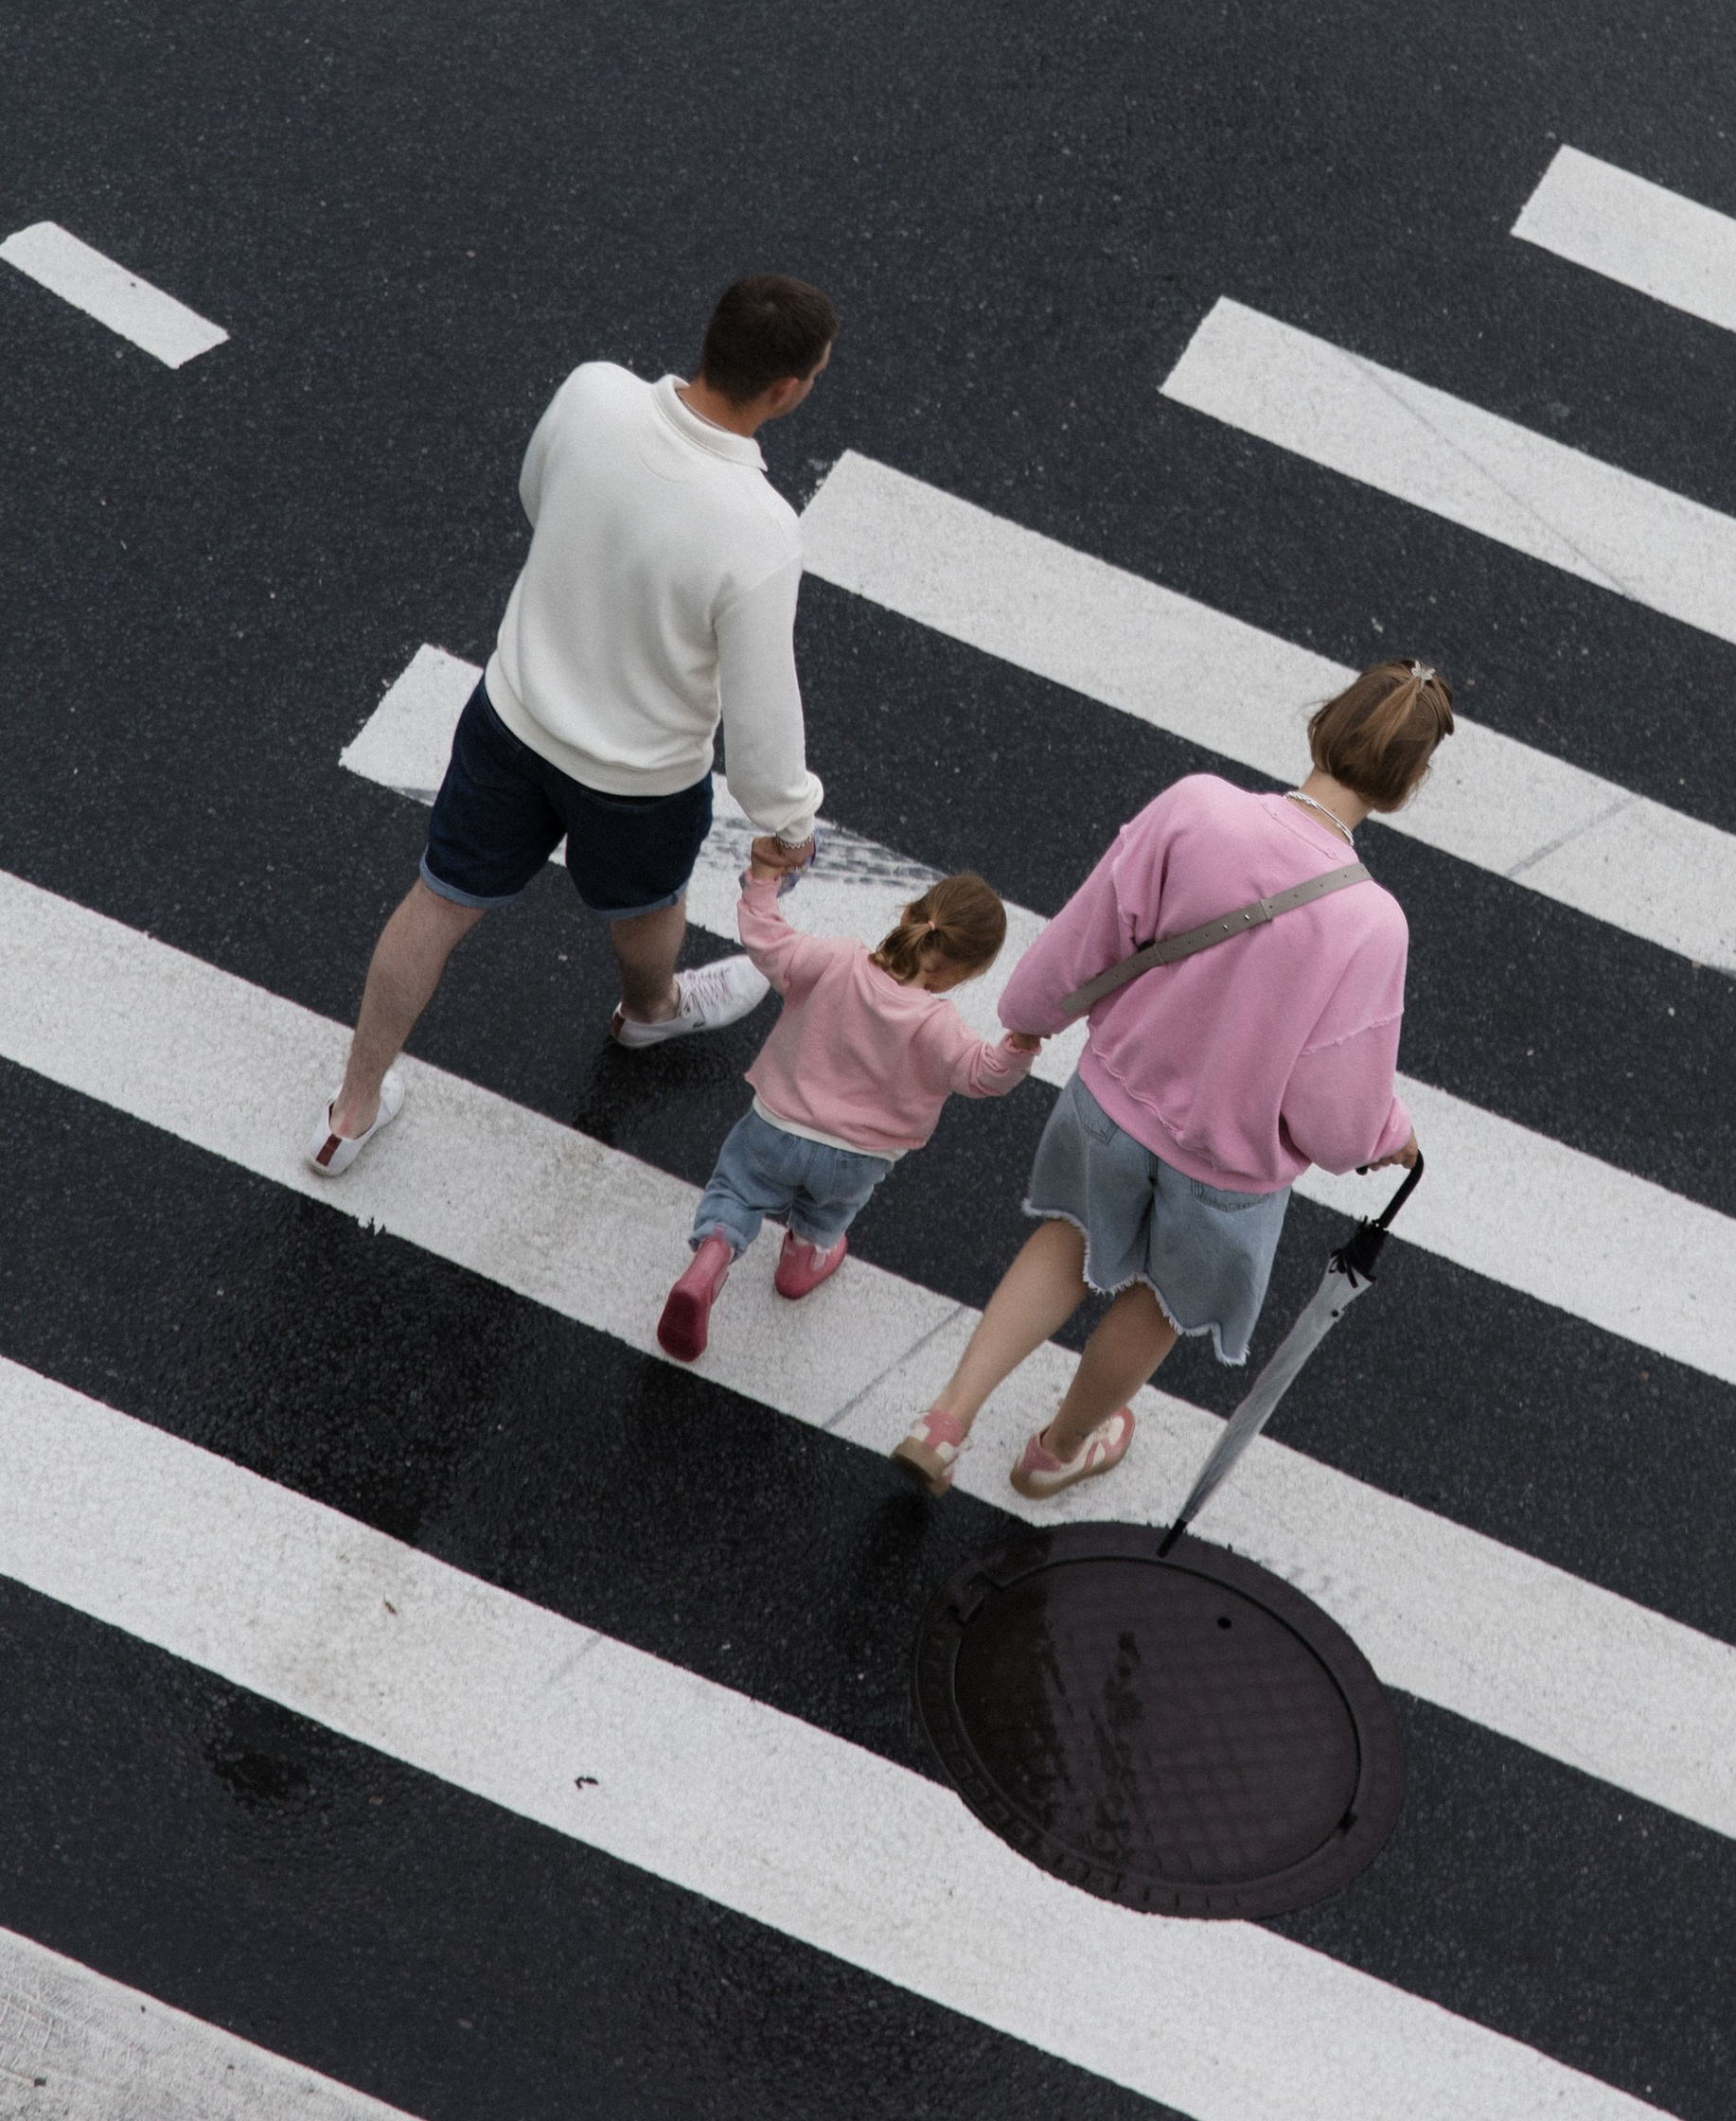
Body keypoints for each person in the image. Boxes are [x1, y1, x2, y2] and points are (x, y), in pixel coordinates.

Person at [310, 273, 838, 1175]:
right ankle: (649, 1014)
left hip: (512, 715)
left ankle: (349, 1114)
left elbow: (534, 494)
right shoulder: (760, 531)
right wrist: (789, 821)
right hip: (639, 780)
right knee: (646, 906)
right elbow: (760, 722)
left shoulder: (594, 391)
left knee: (437, 902)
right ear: (787, 389)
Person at [890, 657, 1447, 1502]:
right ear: (1408, 785)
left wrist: (1028, 1013)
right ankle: (1060, 1449)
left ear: (1324, 722)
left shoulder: (1196, 808)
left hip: (1114, 1096)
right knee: (1157, 1302)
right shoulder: (1373, 923)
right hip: (1229, 1171)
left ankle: (946, 1417)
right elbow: (1335, 1108)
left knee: (1069, 1240)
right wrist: (1386, 1138)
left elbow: (1093, 931)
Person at [657, 866, 1040, 1359]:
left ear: (909, 915)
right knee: (827, 1212)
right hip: (856, 1158)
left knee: (737, 1190)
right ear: (967, 973)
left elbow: (768, 942)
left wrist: (763, 882)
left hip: (776, 1126)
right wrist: (1020, 1046)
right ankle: (803, 1260)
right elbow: (985, 1075)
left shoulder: (837, 958)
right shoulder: (939, 1025)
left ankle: (714, 1251)